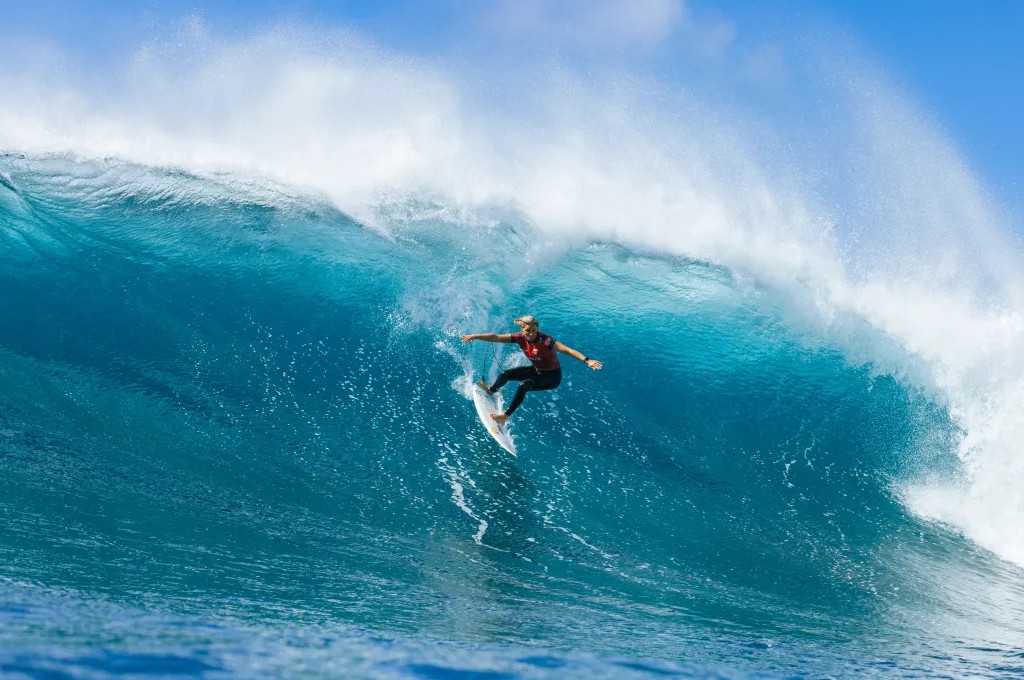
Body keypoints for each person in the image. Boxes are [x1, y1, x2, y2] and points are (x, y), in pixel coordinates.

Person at [461, 315, 602, 425]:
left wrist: (587, 360)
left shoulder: (546, 341)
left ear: (537, 328)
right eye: (527, 331)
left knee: (524, 386)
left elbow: (568, 350)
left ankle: (504, 417)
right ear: (522, 329)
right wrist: (475, 336)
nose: (530, 333)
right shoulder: (519, 338)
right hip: (537, 370)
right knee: (506, 374)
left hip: (552, 377)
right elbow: (496, 337)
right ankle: (491, 391)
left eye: (533, 330)